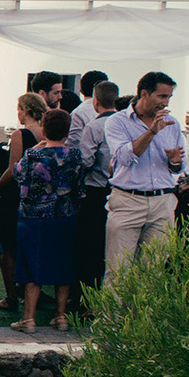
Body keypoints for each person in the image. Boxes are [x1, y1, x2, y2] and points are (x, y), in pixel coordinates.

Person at [103, 70, 185, 273]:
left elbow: (177, 168)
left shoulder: (172, 123)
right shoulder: (117, 121)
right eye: (162, 96)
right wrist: (152, 132)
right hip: (128, 201)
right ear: (144, 93)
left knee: (153, 272)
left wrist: (175, 162)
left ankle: (142, 307)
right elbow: (124, 157)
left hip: (162, 201)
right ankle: (111, 307)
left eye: (169, 97)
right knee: (118, 270)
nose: (165, 103)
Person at [13, 109, 82, 332]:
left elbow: (17, 174)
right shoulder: (74, 155)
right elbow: (79, 188)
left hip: (33, 216)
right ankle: (61, 317)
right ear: (68, 131)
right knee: (64, 264)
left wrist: (33, 149)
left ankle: (29, 319)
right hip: (64, 215)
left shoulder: (33, 155)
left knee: (31, 265)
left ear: (43, 128)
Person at [0, 88, 47, 310]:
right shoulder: (46, 133)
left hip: (16, 195)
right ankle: (33, 294)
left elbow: (14, 168)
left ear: (25, 111)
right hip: (39, 195)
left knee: (9, 248)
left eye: (19, 109)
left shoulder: (20, 135)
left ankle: (11, 296)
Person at [69, 74, 117, 292]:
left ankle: (86, 299)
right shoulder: (124, 125)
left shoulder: (94, 127)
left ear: (95, 102)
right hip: (118, 191)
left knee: (90, 247)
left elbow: (85, 161)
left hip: (95, 191)